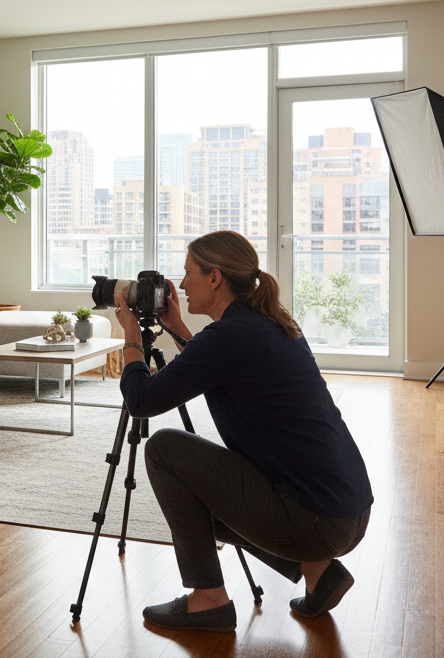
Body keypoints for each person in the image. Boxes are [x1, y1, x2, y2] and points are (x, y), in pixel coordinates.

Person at [113, 230, 373, 632]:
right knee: (200, 488)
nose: (181, 285)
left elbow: (141, 400)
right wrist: (179, 328)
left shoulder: (229, 337)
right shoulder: (265, 321)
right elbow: (213, 362)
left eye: (188, 274)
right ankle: (318, 570)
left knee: (164, 450)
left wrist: (131, 336)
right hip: (348, 510)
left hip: (318, 519)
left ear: (214, 278)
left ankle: (207, 599)